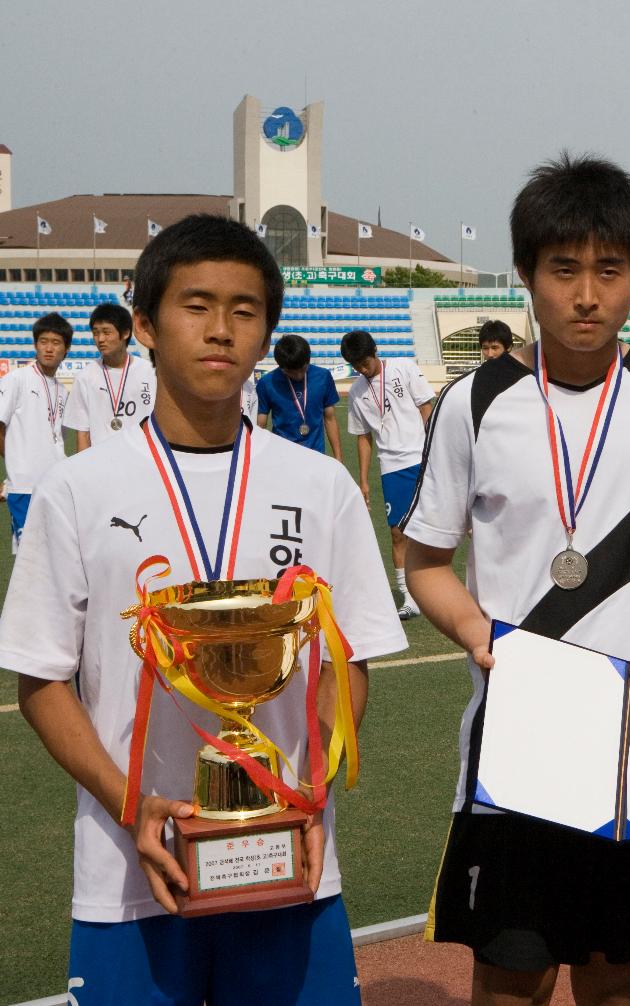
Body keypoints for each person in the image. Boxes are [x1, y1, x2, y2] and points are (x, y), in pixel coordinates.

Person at [0, 214, 407, 1004]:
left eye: (245, 310)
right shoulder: (77, 491)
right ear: (145, 324)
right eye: (196, 305)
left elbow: (345, 663)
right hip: (129, 871)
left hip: (291, 866)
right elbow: (43, 681)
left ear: (268, 332)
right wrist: (129, 805)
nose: (221, 329)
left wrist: (308, 795)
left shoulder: (319, 486)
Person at [402, 154, 630, 1006]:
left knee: (618, 983)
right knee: (509, 980)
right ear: (526, 276)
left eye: (609, 271)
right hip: (517, 747)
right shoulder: (474, 402)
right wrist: (482, 637)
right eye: (563, 270)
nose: (587, 294)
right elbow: (424, 562)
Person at [340, 329, 436, 621]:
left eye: (364, 362)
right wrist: (365, 480)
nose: (361, 368)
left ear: (375, 352)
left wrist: (432, 451)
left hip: (421, 457)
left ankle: (443, 586)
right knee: (397, 533)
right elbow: (363, 437)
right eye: (355, 365)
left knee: (439, 524)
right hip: (391, 467)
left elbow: (426, 408)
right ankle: (409, 597)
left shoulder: (403, 367)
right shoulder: (357, 391)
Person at [0, 312, 71, 548]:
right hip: (25, 486)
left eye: (56, 342)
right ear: (35, 345)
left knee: (53, 557)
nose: (49, 348)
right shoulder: (16, 379)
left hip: (54, 486)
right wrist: (15, 464)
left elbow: (58, 438)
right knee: (28, 560)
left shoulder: (63, 391)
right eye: (43, 341)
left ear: (66, 349)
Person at [64, 302, 157, 451]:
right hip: (102, 463)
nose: (100, 339)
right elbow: (82, 433)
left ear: (125, 333)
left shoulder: (149, 372)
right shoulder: (85, 377)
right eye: (95, 333)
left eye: (106, 332)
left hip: (141, 459)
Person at [256, 334, 343, 459]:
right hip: (282, 458)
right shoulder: (267, 383)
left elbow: (330, 418)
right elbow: (261, 425)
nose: (298, 376)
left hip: (316, 456)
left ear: (308, 360)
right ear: (281, 367)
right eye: (292, 372)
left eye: (303, 369)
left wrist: (338, 458)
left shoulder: (323, 377)